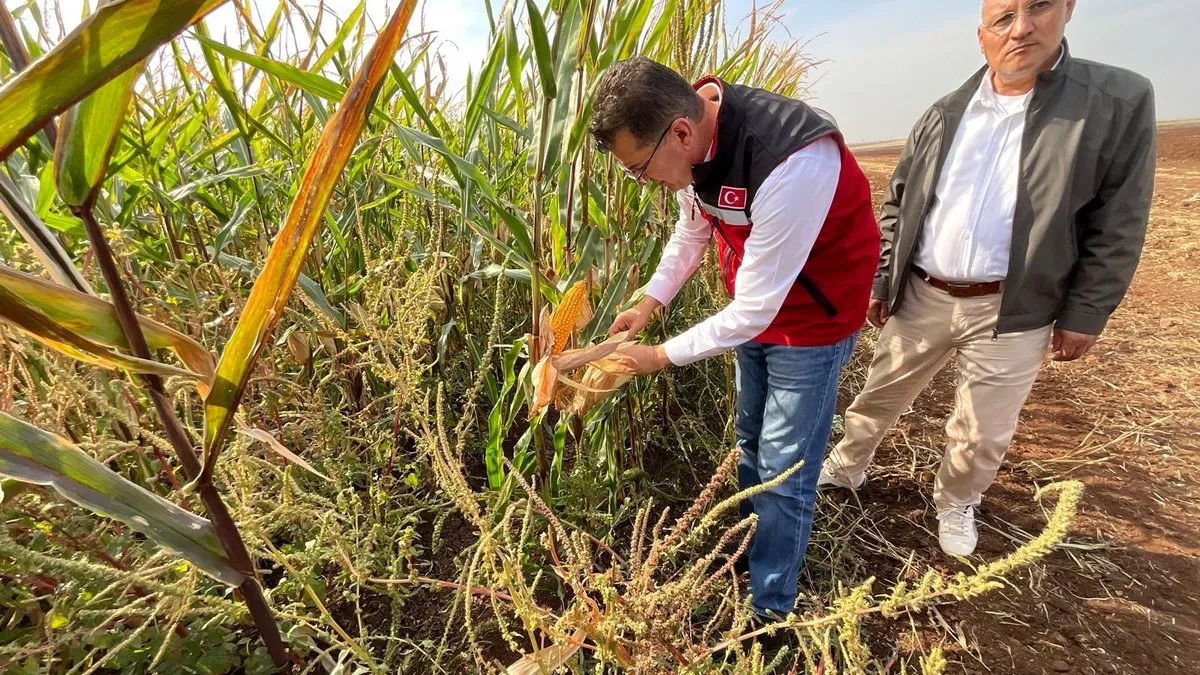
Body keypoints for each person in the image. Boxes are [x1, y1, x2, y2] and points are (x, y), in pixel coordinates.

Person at [820, 0, 1156, 557]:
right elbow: (899, 203)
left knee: (982, 431)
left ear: (1067, 10)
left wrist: (1087, 312)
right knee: (878, 394)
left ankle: (955, 502)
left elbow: (1120, 221)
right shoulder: (946, 111)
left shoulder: (1115, 102)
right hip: (923, 293)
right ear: (982, 37)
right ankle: (848, 466)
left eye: (1038, 8)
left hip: (1012, 307)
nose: (1021, 28)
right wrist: (884, 278)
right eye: (1003, 18)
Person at [587, 57, 880, 620]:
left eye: (638, 169)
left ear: (679, 132)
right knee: (750, 438)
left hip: (813, 322)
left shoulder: (790, 158)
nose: (642, 181)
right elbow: (692, 229)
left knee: (784, 471)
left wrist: (659, 356)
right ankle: (751, 552)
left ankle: (770, 614)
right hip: (757, 311)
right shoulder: (694, 145)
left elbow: (752, 309)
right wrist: (650, 302)